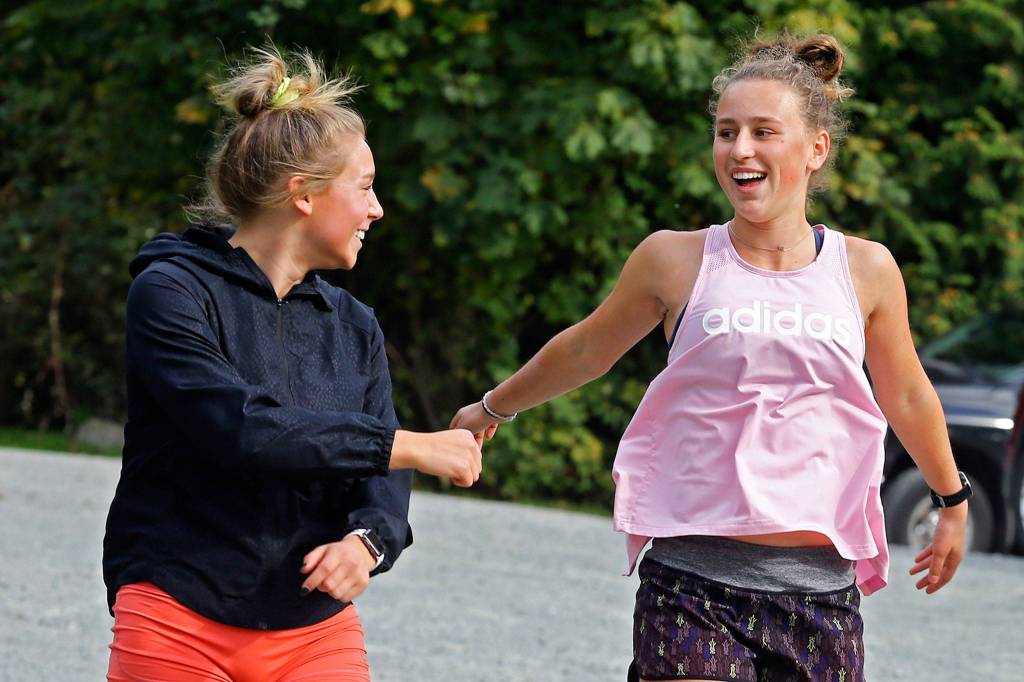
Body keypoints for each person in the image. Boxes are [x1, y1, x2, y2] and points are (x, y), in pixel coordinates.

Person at [452, 33, 970, 682]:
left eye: (762, 131)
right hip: (691, 584)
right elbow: (586, 349)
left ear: (816, 149)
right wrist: (491, 407)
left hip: (820, 595)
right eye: (726, 132)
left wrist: (952, 501)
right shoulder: (675, 259)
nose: (740, 149)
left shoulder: (865, 269)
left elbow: (908, 395)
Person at [102, 45, 483, 682]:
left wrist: (368, 543)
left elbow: (377, 479)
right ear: (302, 194)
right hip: (175, 611)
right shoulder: (170, 292)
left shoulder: (353, 323)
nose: (377, 208)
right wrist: (407, 444)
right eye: (364, 187)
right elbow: (241, 428)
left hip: (313, 628)